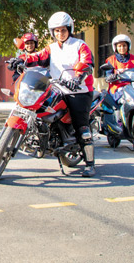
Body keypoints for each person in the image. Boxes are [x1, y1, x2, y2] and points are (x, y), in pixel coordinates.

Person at [33, 12, 96, 177]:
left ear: (69, 29)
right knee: (39, 108)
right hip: (57, 89)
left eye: (63, 30)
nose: (60, 33)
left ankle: (90, 164)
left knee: (82, 127)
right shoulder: (52, 48)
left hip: (79, 91)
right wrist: (22, 60)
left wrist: (79, 77)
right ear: (52, 32)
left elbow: (86, 62)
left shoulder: (79, 45)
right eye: (57, 30)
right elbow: (38, 56)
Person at [103, 34, 134, 102]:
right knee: (124, 100)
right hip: (118, 89)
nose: (122, 48)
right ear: (116, 47)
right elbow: (108, 74)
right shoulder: (111, 60)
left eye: (124, 45)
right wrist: (111, 77)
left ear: (128, 46)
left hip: (133, 88)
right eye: (119, 46)